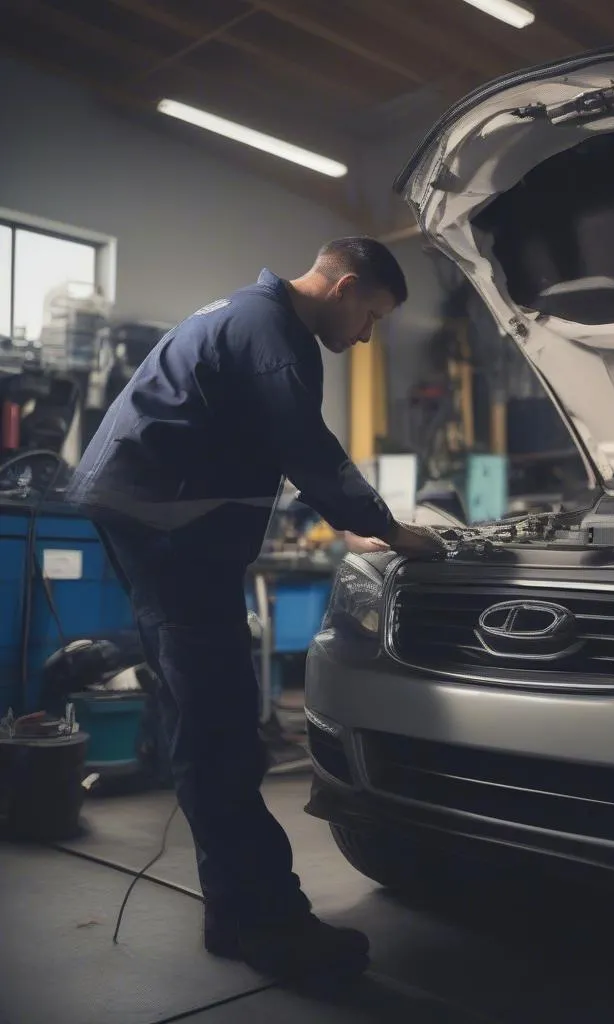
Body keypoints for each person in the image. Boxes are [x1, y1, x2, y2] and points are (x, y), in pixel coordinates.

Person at [65, 238, 445, 982]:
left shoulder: (244, 315)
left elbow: (265, 441)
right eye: (370, 316)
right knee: (221, 727)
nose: (366, 337)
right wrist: (388, 527)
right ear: (345, 286)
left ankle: (233, 914)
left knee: (204, 718)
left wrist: (352, 517)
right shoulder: (272, 333)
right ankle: (272, 924)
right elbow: (305, 442)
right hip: (168, 526)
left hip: (148, 518)